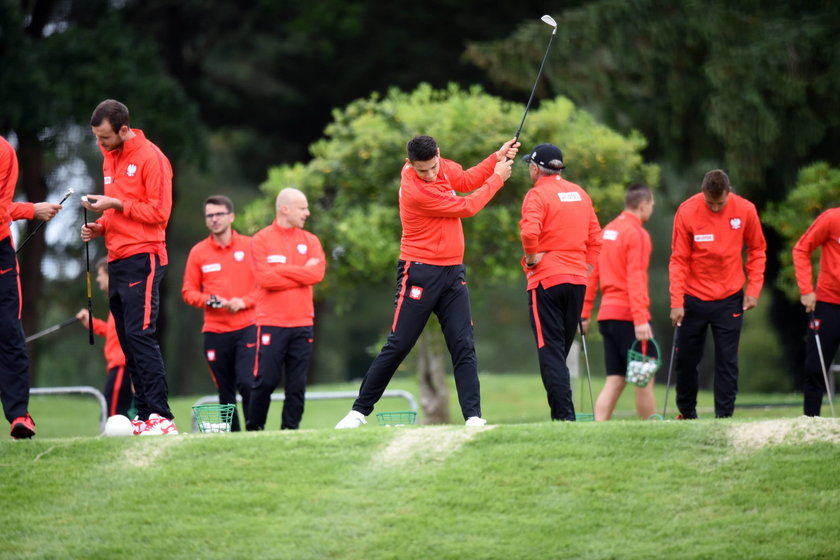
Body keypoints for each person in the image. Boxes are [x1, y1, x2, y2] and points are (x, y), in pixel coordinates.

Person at [335, 135, 519, 429]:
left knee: (463, 344)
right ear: (410, 164)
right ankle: (358, 412)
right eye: (424, 170)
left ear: (438, 156)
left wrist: (495, 158)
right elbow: (467, 206)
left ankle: (473, 416)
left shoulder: (443, 167)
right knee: (399, 344)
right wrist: (497, 179)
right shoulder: (415, 189)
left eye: (433, 167)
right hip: (419, 271)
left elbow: (468, 179)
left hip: (453, 272)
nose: (431, 174)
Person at [80, 99, 178, 436]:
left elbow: (159, 213)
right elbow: (117, 213)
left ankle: (162, 418)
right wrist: (100, 226)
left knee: (140, 335)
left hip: (144, 257)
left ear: (124, 129)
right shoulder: (110, 158)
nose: (100, 144)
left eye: (104, 137)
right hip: (117, 257)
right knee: (127, 340)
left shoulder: (152, 158)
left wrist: (116, 204)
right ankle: (146, 415)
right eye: (96, 137)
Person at [669, 169, 766, 419]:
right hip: (693, 298)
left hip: (730, 297)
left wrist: (753, 290)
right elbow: (678, 260)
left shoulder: (745, 210)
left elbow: (757, 250)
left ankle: (724, 418)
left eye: (719, 203)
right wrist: (676, 301)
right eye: (709, 202)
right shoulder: (687, 211)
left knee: (727, 361)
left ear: (728, 193)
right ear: (702, 193)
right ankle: (687, 414)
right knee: (687, 360)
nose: (714, 208)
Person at [519, 143, 602, 422]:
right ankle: (564, 415)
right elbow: (596, 239)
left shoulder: (537, 194)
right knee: (559, 351)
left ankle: (564, 418)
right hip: (578, 281)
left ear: (535, 167)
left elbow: (530, 232)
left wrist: (531, 258)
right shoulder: (580, 193)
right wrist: (585, 267)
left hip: (546, 281)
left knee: (550, 352)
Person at [247, 188, 325, 430]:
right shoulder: (260, 239)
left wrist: (282, 270)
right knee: (266, 380)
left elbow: (317, 273)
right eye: (302, 208)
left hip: (302, 323)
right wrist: (302, 271)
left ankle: (290, 432)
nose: (307, 213)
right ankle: (254, 429)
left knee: (297, 384)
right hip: (271, 322)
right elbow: (265, 279)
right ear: (285, 209)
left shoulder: (311, 240)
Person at [1, 135, 62, 439]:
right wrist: (31, 210)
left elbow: (1, 207)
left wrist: (30, 209)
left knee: (10, 336)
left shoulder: (4, 152)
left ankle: (19, 417)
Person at [182, 195, 258, 431]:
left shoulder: (250, 246)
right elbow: (188, 291)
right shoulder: (198, 252)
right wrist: (209, 301)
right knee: (225, 390)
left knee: (247, 383)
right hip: (215, 332)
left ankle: (255, 432)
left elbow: (264, 286)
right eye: (209, 216)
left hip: (247, 327)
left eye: (219, 214)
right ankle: (233, 438)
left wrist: (243, 302)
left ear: (231, 216)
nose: (214, 219)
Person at [582, 184, 657, 421]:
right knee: (644, 375)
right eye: (652, 206)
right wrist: (641, 319)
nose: (651, 210)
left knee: (615, 378)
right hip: (628, 315)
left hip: (606, 316)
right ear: (643, 205)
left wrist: (584, 313)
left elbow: (592, 274)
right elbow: (635, 278)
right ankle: (652, 431)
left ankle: (597, 428)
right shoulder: (637, 234)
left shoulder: (607, 231)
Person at [792, 207, 840, 416]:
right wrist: (806, 290)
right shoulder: (832, 219)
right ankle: (811, 426)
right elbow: (801, 249)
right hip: (828, 302)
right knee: (815, 368)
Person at [76, 258, 134, 417]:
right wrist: (90, 322)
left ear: (110, 276)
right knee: (112, 413)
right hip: (119, 367)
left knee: (112, 416)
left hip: (122, 366)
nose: (97, 279)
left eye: (100, 274)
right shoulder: (117, 300)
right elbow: (112, 331)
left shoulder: (122, 300)